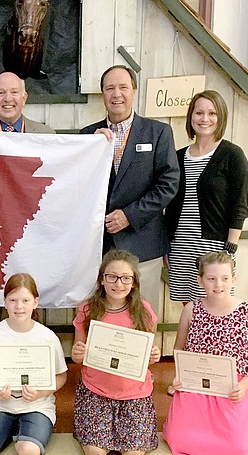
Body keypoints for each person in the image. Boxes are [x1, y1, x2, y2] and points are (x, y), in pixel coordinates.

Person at [0, 71, 55, 398]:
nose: (8, 98)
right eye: (0, 93)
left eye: (14, 92)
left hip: (31, 229)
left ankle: (37, 372)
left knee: (28, 295)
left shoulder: (47, 134)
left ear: (25, 97)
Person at [80, 65, 179, 315]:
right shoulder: (87, 136)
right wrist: (93, 148)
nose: (117, 94)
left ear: (134, 91)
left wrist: (129, 216)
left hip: (143, 244)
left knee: (143, 317)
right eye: (110, 88)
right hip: (99, 249)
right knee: (100, 317)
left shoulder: (158, 133)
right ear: (102, 94)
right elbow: (78, 187)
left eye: (123, 87)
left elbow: (168, 183)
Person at [162, 252, 248, 455]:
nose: (218, 284)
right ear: (200, 280)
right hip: (197, 384)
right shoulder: (191, 309)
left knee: (238, 449)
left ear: (233, 280)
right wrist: (180, 379)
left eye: (225, 278)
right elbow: (179, 350)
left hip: (233, 387)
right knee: (177, 440)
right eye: (211, 278)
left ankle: (245, 422)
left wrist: (246, 385)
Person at [0, 273, 68, 455]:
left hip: (37, 406)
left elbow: (61, 377)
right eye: (13, 300)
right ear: (5, 302)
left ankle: (15, 429)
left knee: (28, 453)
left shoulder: (47, 337)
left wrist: (40, 393)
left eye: (25, 300)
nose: (19, 306)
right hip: (1, 405)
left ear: (35, 302)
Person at [71, 249, 161, 455]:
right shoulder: (87, 309)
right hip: (96, 390)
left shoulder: (144, 311)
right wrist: (77, 353)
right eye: (112, 276)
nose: (118, 284)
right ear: (102, 279)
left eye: (125, 278)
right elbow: (77, 354)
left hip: (133, 392)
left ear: (134, 282)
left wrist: (153, 355)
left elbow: (146, 354)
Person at [165, 90, 248, 303]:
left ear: (220, 117)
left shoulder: (232, 155)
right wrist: (166, 244)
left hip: (213, 246)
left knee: (216, 307)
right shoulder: (177, 157)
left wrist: (229, 249)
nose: (204, 119)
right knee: (189, 308)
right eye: (199, 112)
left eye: (212, 113)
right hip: (181, 244)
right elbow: (170, 205)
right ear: (190, 117)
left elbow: (239, 205)